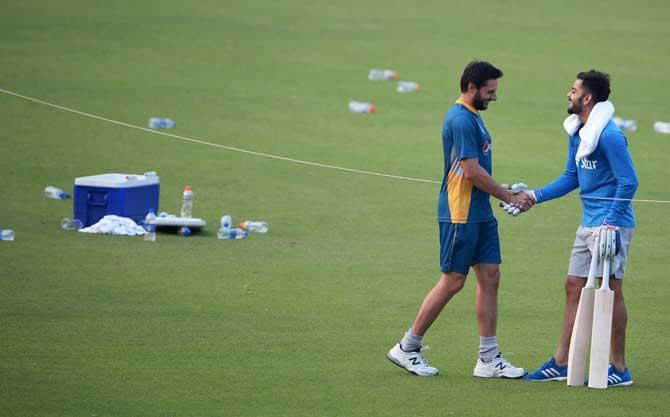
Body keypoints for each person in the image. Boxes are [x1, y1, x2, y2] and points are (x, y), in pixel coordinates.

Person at [387, 61, 533, 378]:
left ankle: (487, 359)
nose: (494, 97)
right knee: (453, 281)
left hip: (480, 213)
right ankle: (407, 347)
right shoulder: (460, 119)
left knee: (490, 277)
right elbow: (470, 171)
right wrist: (508, 197)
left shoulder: (474, 118)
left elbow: (476, 173)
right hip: (460, 214)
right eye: (490, 91)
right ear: (471, 88)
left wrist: (503, 189)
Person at [523, 70, 638, 386]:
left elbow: (629, 182)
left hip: (612, 227)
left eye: (573, 90)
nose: (568, 94)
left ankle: (619, 368)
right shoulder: (579, 132)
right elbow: (571, 176)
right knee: (573, 285)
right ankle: (561, 362)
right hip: (588, 224)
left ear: (587, 98)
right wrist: (534, 196)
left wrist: (611, 222)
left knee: (611, 291)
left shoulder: (610, 135)